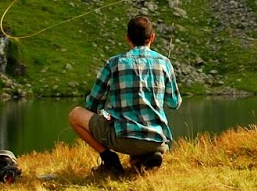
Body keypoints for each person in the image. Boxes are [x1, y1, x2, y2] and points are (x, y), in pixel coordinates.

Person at [69, 15, 181, 175]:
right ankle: (150, 155)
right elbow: (174, 103)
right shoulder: (164, 63)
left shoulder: (113, 63)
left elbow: (92, 104)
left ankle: (110, 160)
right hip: (156, 140)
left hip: (122, 139)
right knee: (144, 149)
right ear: (152, 37)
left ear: (128, 38)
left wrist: (106, 113)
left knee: (75, 115)